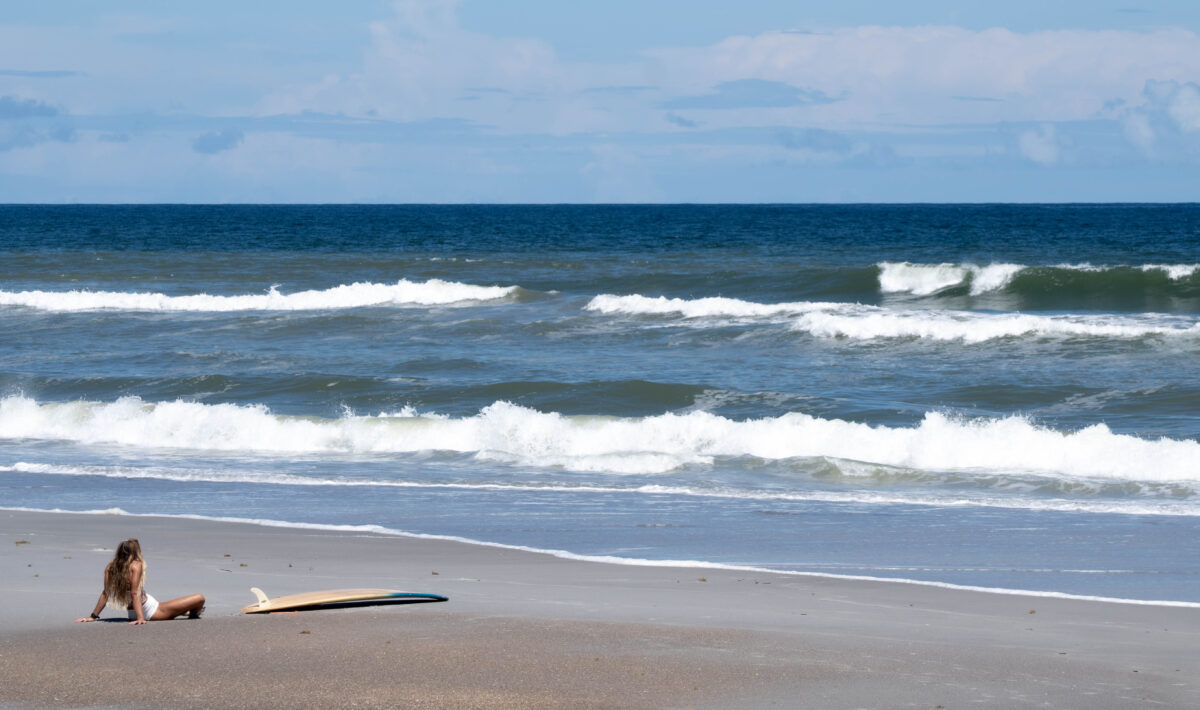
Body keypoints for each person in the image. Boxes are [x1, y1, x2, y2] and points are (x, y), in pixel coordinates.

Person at [74, 538, 205, 625]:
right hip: (151, 610)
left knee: (179, 607)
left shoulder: (110, 566)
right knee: (199, 598)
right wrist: (141, 618)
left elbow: (105, 593)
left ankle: (186, 612)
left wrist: (93, 616)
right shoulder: (136, 565)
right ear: (135, 551)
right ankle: (193, 613)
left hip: (138, 610)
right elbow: (134, 593)